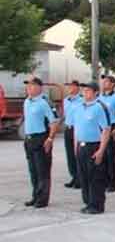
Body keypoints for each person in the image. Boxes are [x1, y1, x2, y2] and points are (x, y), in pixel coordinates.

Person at [73, 81, 111, 214]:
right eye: (84, 90)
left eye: (88, 91)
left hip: (94, 146)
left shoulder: (99, 107)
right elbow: (76, 129)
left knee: (95, 177)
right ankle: (88, 202)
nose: (85, 93)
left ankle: (97, 205)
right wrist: (75, 147)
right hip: (81, 145)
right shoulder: (79, 107)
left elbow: (106, 130)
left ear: (96, 93)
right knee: (84, 176)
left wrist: (101, 150)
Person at [22, 77, 60, 208]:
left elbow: (54, 122)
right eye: (28, 86)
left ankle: (42, 199)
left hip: (41, 138)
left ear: (39, 87)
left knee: (42, 170)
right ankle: (35, 196)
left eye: (32, 86)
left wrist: (50, 139)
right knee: (33, 170)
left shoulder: (45, 103)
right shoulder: (27, 101)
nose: (29, 88)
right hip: (29, 139)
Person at [98, 75, 115, 192]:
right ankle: (104, 181)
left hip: (112, 127)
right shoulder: (99, 97)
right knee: (102, 156)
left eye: (107, 82)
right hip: (101, 128)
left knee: (111, 156)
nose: (104, 83)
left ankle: (113, 183)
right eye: (103, 81)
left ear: (113, 84)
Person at [61, 80, 83, 189]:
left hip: (77, 128)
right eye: (68, 86)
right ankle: (74, 176)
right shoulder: (66, 100)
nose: (70, 88)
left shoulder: (82, 100)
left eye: (72, 86)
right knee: (69, 154)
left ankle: (80, 178)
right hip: (68, 128)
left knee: (77, 154)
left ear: (77, 87)